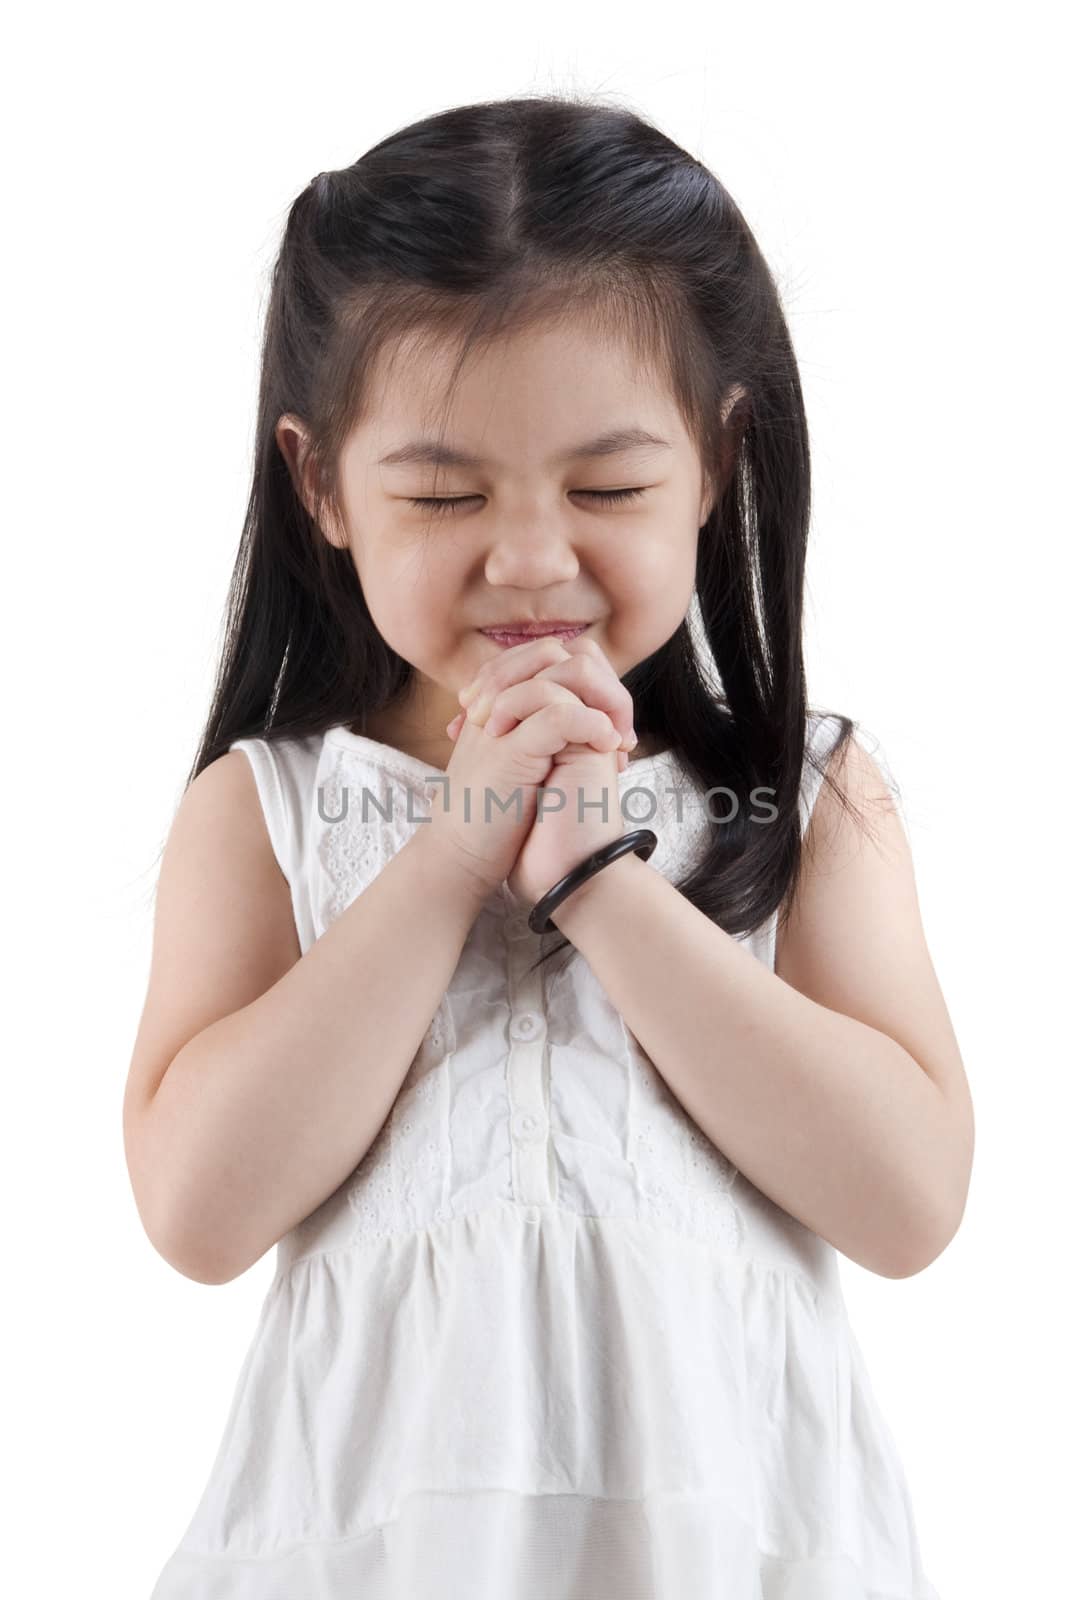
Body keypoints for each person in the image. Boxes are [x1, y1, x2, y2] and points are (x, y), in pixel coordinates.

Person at [124, 93, 973, 1599]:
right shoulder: (271, 810)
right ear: (321, 483)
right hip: (375, 1552)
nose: (530, 558)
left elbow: (908, 1201)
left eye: (611, 489)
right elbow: (198, 1210)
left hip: (735, 1547)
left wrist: (599, 887)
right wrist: (455, 852)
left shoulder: (811, 793)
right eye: (445, 492)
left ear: (717, 467)